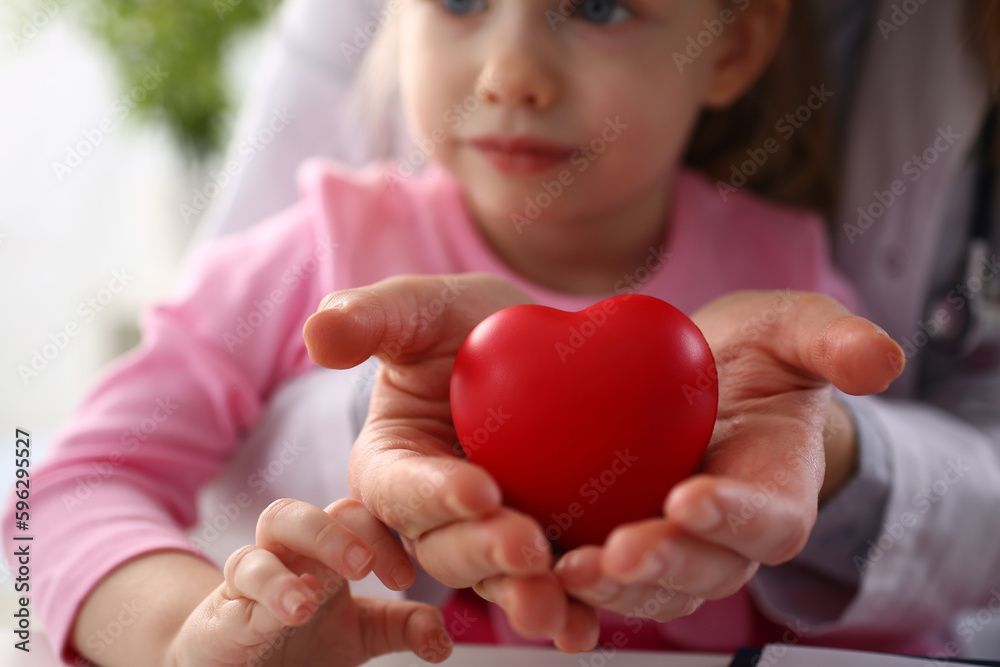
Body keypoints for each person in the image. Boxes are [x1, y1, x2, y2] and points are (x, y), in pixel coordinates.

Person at [2, 2, 995, 666]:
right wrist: (191, 633)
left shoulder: (788, 289)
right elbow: (51, 495)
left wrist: (827, 479)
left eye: (599, 5)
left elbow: (897, 612)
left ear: (730, 45)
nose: (512, 69)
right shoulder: (308, 257)